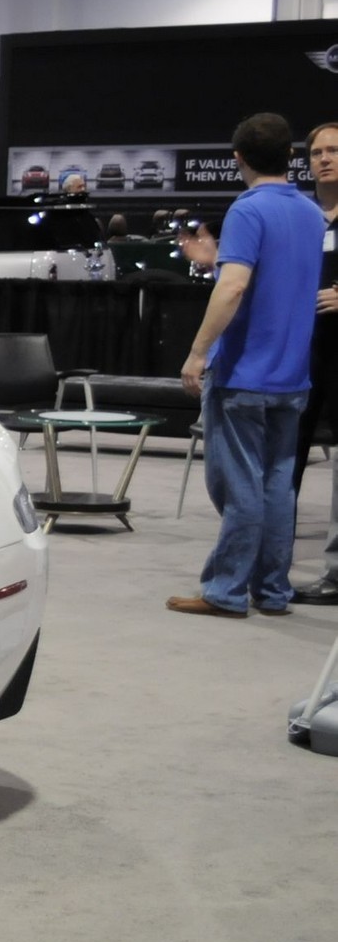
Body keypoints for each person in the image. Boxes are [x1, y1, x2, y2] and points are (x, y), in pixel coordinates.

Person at [168, 112, 321, 618]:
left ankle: (226, 590)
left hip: (244, 373)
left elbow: (233, 287)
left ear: (238, 160)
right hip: (292, 373)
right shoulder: (309, 212)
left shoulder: (248, 209)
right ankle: (272, 590)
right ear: (292, 157)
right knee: (278, 483)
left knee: (238, 486)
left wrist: (197, 352)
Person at [289, 120, 338, 603]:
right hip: (299, 354)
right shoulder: (302, 216)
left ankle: (337, 574)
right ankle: (270, 565)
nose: (324, 158)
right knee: (286, 460)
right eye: (317, 151)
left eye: (334, 150)